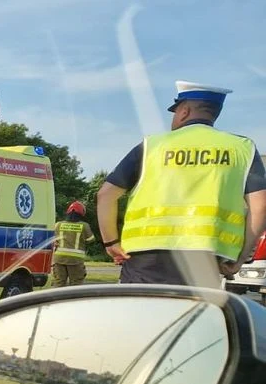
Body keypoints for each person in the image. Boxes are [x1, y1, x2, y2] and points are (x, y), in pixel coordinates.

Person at [97, 81, 266, 289]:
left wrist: (111, 243)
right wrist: (240, 257)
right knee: (194, 318)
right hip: (206, 258)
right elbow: (260, 206)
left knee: (141, 316)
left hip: (146, 258)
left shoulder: (153, 145)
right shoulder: (242, 148)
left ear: (184, 111)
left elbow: (106, 195)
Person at [50, 201, 95, 287]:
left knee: (59, 283)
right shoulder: (84, 225)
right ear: (81, 213)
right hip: (76, 260)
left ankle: (57, 300)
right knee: (76, 284)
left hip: (59, 259)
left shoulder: (58, 224)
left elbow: (53, 239)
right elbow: (91, 240)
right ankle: (74, 300)